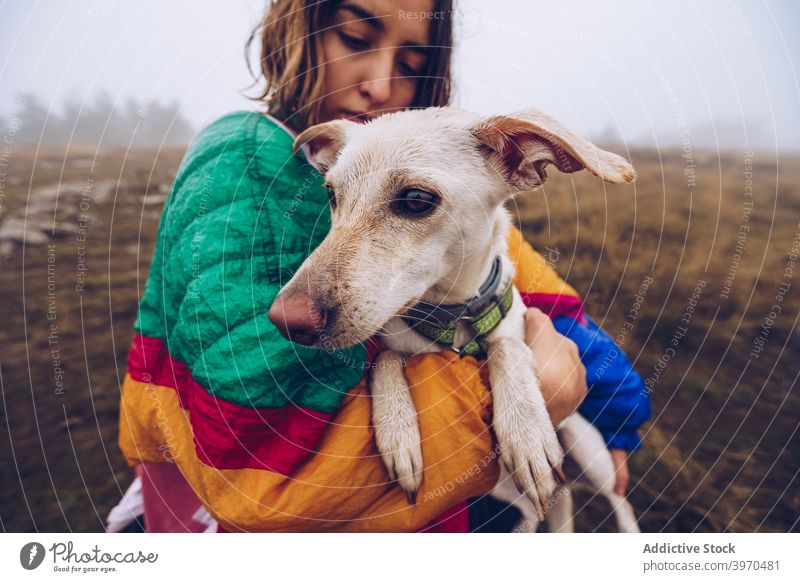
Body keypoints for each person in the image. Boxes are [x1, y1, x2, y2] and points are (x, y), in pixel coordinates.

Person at [112, 0, 650, 533]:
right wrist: (519, 397)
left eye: (412, 66)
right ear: (301, 30)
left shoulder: (459, 194)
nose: (382, 86)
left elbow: (544, 299)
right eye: (354, 38)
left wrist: (618, 410)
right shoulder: (240, 165)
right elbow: (258, 468)